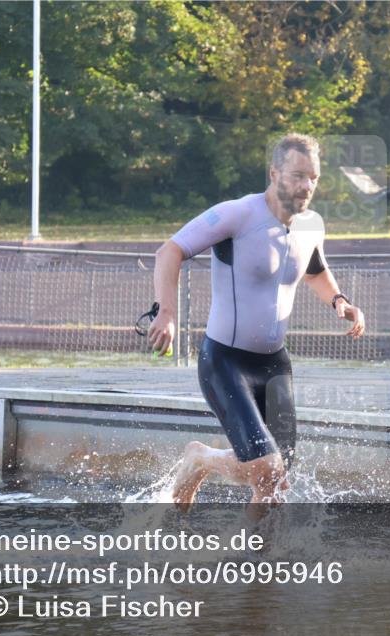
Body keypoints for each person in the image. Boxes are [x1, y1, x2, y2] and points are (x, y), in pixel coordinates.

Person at [147, 133, 366, 514]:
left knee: (277, 481)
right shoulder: (237, 215)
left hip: (274, 365)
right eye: (298, 176)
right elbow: (170, 251)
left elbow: (314, 270)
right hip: (225, 362)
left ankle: (259, 568)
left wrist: (339, 300)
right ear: (274, 172)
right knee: (267, 468)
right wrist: (166, 312)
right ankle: (199, 459)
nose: (307, 186)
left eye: (313, 177)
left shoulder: (312, 224)